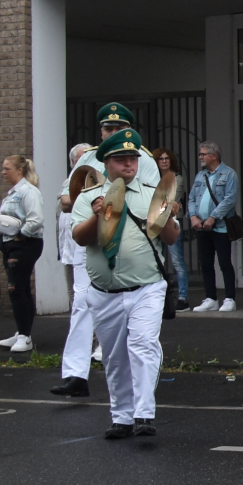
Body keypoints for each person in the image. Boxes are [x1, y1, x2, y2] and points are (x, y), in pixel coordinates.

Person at [70, 128, 180, 439]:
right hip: (104, 292)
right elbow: (79, 238)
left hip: (146, 287)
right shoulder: (89, 197)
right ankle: (121, 417)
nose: (129, 164)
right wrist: (98, 215)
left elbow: (171, 238)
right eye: (121, 159)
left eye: (132, 158)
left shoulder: (152, 193)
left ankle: (144, 414)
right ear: (106, 163)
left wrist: (168, 215)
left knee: (143, 346)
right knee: (114, 357)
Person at [50, 145, 95, 395]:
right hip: (81, 248)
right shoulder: (77, 175)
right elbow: (65, 202)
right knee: (80, 305)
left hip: (110, 249)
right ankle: (76, 375)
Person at [0, 155, 47, 352]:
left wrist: (21, 235)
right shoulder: (12, 192)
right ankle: (23, 332)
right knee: (21, 288)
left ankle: (25, 337)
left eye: (7, 169)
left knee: (15, 288)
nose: (3, 172)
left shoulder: (28, 191)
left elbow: (35, 219)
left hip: (24, 244)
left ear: (19, 170)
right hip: (10, 244)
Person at [186, 141, 238, 312]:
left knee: (224, 263)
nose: (200, 157)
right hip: (201, 227)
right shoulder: (200, 176)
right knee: (206, 264)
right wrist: (193, 216)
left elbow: (230, 199)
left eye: (203, 154)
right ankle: (211, 298)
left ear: (213, 155)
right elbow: (192, 198)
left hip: (220, 227)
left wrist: (213, 217)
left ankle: (230, 299)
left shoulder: (229, 174)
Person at [152, 149, 188, 309]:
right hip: (154, 222)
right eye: (161, 159)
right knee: (156, 259)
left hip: (172, 221)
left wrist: (157, 202)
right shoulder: (152, 178)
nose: (164, 161)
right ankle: (158, 298)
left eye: (167, 158)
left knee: (177, 261)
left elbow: (172, 199)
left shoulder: (177, 178)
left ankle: (183, 298)